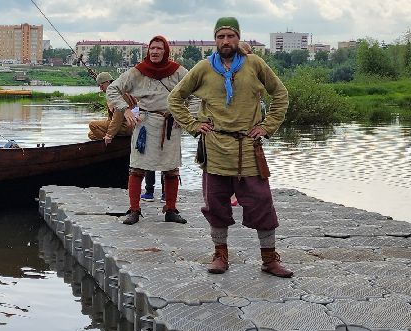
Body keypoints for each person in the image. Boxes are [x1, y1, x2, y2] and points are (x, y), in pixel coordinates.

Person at [167, 17, 293, 276]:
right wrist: (193, 125)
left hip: (248, 147)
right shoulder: (203, 68)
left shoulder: (254, 64)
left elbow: (280, 94)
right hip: (215, 148)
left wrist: (267, 126)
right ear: (215, 39)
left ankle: (269, 258)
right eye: (221, 36)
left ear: (238, 38)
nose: (226, 41)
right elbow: (175, 98)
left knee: (261, 202)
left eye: (231, 36)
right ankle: (220, 254)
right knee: (215, 204)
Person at [106, 36, 191, 224]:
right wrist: (125, 109)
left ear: (165, 51)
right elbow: (112, 90)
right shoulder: (137, 72)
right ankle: (134, 210)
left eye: (159, 48)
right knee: (137, 168)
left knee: (171, 169)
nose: (155, 52)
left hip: (170, 125)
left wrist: (185, 117)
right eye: (152, 48)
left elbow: (196, 93)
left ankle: (171, 209)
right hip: (145, 124)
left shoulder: (178, 72)